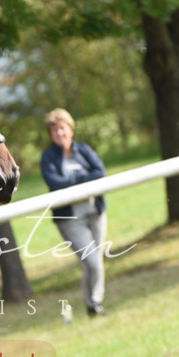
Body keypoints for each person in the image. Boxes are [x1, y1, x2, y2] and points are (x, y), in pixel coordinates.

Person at [40, 108, 108, 317]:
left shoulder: (84, 150)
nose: (59, 134)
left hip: (95, 212)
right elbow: (55, 183)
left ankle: (92, 304)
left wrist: (75, 182)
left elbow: (100, 172)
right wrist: (83, 178)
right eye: (54, 130)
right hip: (70, 219)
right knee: (92, 262)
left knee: (96, 261)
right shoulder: (48, 157)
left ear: (70, 129)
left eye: (61, 128)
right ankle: (95, 302)